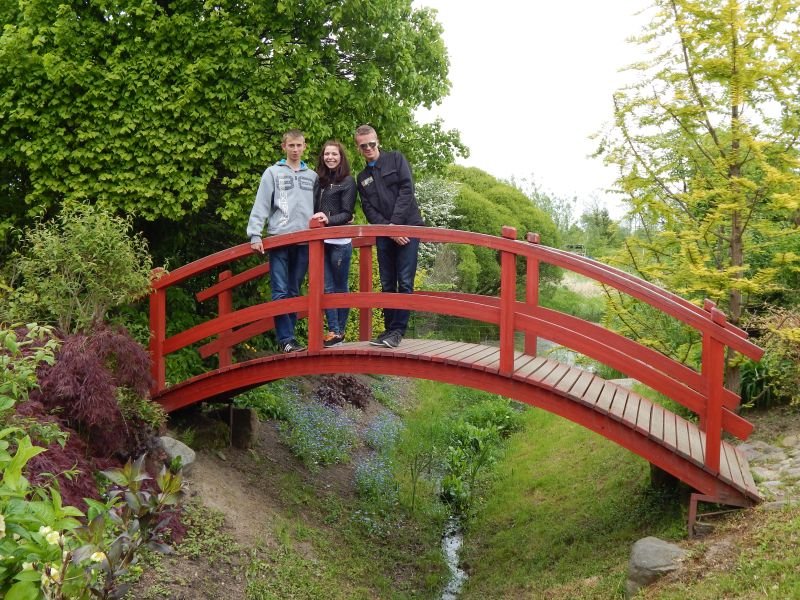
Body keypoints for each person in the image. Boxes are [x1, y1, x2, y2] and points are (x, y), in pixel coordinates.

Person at [247, 129, 319, 353]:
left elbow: (321, 207)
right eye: (291, 145)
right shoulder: (272, 173)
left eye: (299, 145)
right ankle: (286, 339)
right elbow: (261, 204)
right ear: (284, 147)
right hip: (279, 239)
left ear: (304, 147)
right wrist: (255, 234)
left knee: (294, 290)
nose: (295, 150)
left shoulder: (312, 176)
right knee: (280, 290)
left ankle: (290, 339)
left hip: (305, 240)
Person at [354, 124, 425, 348]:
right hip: (385, 233)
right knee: (386, 282)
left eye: (371, 144)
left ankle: (398, 331)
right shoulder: (362, 177)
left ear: (378, 142)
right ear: (358, 148)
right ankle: (388, 330)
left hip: (408, 228)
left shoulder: (396, 159)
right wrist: (389, 229)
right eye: (363, 146)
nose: (368, 148)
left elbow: (407, 189)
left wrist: (396, 225)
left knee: (404, 280)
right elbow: (369, 210)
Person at [312, 141, 356, 347]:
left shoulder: (348, 181)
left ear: (341, 157)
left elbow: (347, 213)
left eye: (334, 154)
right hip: (321, 241)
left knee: (340, 286)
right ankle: (334, 331)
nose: (330, 157)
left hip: (339, 241)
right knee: (327, 287)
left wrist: (328, 219)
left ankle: (339, 330)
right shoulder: (319, 181)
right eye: (326, 154)